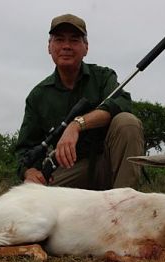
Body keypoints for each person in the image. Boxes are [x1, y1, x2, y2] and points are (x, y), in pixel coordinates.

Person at [15, 13, 144, 190]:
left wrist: (76, 125)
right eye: (59, 40)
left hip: (108, 164)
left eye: (74, 40)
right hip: (70, 169)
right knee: (34, 196)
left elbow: (121, 104)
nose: (66, 46)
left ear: (86, 48)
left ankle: (125, 207)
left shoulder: (103, 77)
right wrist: (29, 172)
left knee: (127, 122)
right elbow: (24, 148)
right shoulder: (38, 95)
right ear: (49, 47)